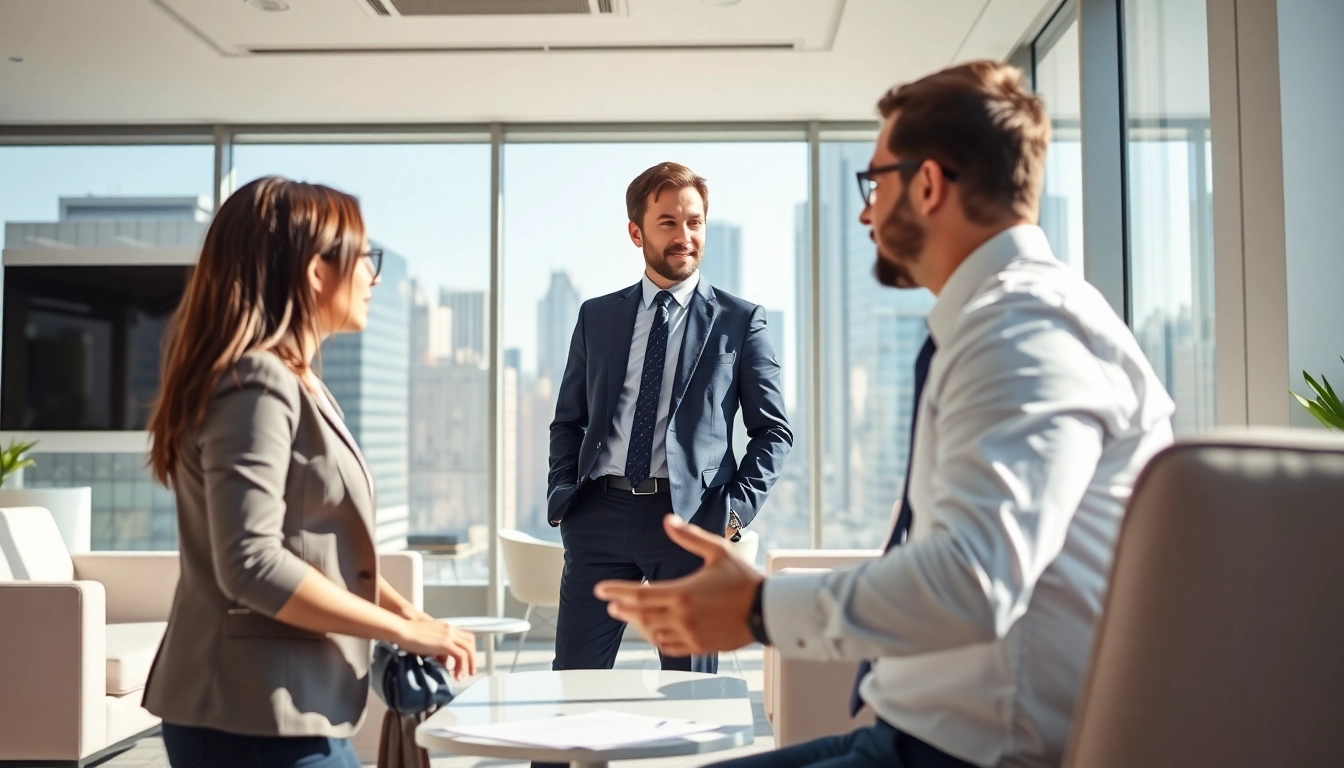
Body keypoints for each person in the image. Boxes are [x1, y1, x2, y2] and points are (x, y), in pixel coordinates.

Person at [596, 61, 1176, 768]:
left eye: (876, 183)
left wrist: (758, 609)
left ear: (927, 184)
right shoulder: (998, 323)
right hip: (910, 732)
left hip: (970, 752)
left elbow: (974, 578)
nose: (867, 212)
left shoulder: (1024, 331)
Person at [142, 176, 477, 768]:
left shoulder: (291, 379)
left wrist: (410, 615)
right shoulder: (258, 382)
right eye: (364, 257)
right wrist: (403, 634)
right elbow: (252, 563)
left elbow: (318, 546)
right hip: (251, 716)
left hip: (285, 710)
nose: (374, 276)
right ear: (315, 270)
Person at [547, 162, 793, 676]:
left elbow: (774, 432)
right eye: (668, 223)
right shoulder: (597, 316)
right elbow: (569, 420)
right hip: (599, 517)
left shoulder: (740, 321)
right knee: (573, 682)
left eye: (695, 222)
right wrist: (563, 499)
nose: (685, 236)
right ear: (636, 232)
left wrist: (730, 518)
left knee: (690, 695)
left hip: (690, 523)